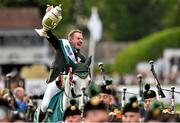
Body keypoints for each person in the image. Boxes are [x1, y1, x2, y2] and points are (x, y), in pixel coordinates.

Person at [39, 5, 86, 121]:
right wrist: (48, 16)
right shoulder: (62, 45)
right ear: (70, 40)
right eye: (78, 38)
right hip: (57, 83)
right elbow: (49, 34)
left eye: (81, 38)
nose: (80, 40)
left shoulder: (82, 58)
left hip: (74, 86)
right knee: (44, 105)